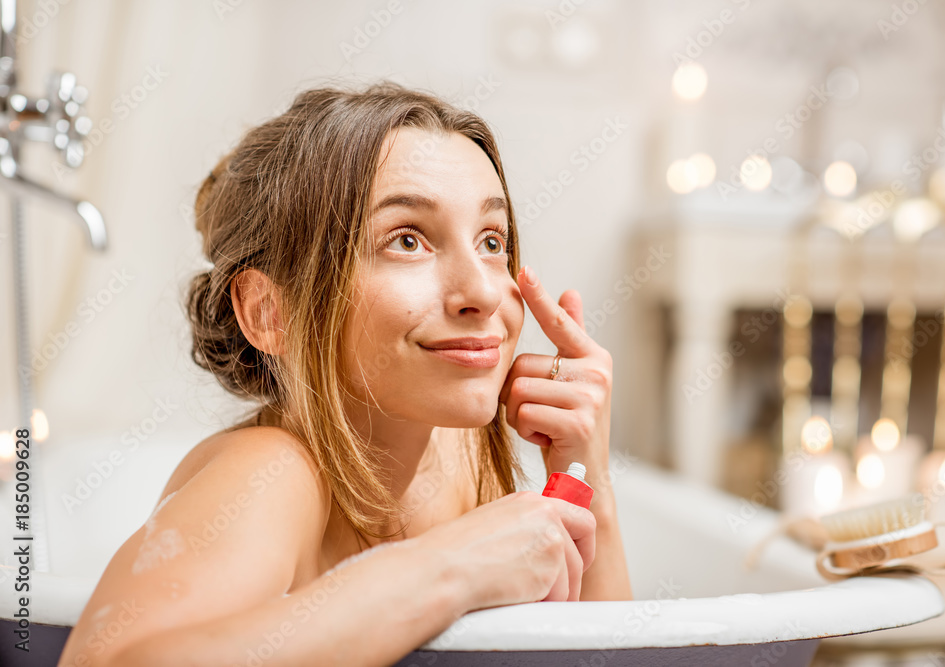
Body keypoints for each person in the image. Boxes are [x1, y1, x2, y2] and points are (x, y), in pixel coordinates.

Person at [58, 80, 631, 667]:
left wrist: (590, 483)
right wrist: (449, 567)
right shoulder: (271, 473)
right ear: (269, 312)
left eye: (492, 240)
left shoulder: (464, 450)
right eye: (407, 240)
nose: (483, 291)